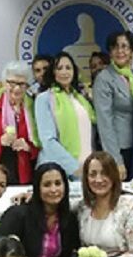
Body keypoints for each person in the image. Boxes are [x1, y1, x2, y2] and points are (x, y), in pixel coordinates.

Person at [0, 163, 79, 257]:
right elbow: (1, 253)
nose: (53, 189)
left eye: (58, 183)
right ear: (37, 188)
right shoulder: (18, 215)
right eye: (47, 185)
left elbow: (75, 254)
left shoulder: (70, 218)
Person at [34, 52, 96, 180]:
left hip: (85, 167)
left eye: (68, 68)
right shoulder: (44, 99)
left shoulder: (80, 98)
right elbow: (48, 140)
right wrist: (74, 167)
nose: (64, 72)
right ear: (53, 72)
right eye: (59, 68)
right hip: (57, 171)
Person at [93, 30, 133, 180]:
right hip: (119, 149)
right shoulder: (104, 78)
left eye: (125, 46)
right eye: (115, 47)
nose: (120, 51)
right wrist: (116, 160)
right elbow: (105, 123)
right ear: (110, 52)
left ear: (132, 51)